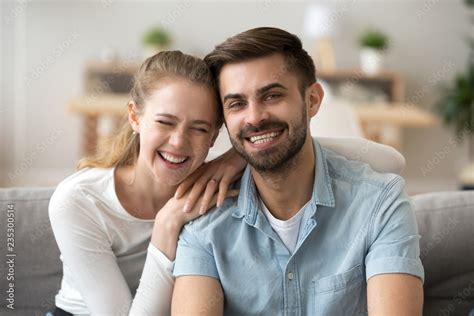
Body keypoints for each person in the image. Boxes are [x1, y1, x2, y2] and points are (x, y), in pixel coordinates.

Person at [171, 27, 425, 315]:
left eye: (272, 96)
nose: (254, 117)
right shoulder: (205, 222)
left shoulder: (379, 204)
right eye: (237, 104)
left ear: (312, 100)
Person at [48, 51, 246, 315]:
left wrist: (238, 155)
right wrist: (166, 225)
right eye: (165, 122)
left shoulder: (215, 186)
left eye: (199, 129)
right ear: (135, 117)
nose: (178, 141)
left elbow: (310, 145)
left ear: (213, 136)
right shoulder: (79, 200)